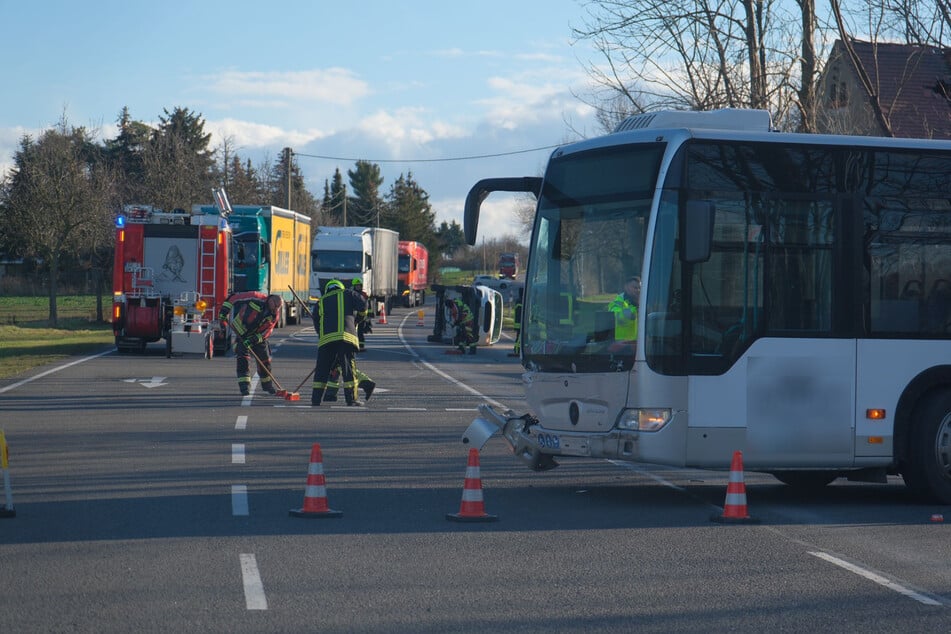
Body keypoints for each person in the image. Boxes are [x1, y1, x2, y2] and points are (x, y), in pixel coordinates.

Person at [310, 279, 368, 406]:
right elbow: (363, 305)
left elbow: (317, 322)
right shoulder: (348, 293)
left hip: (326, 341)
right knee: (348, 369)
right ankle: (351, 399)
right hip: (345, 338)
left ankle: (315, 400)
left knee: (322, 370)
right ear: (340, 287)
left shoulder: (321, 301)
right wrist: (358, 319)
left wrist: (323, 336)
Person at [219, 291, 283, 396]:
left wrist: (253, 340)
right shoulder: (255, 297)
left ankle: (267, 386)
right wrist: (223, 312)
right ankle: (244, 387)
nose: (275, 310)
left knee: (265, 360)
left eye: (278, 308)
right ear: (271, 300)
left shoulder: (274, 314)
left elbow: (266, 332)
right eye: (275, 306)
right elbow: (233, 298)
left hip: (257, 336)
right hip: (241, 331)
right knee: (243, 358)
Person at [608, 276, 640, 342]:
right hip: (622, 345)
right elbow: (619, 317)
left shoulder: (641, 302)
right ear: (626, 287)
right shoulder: (618, 302)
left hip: (639, 343)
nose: (638, 290)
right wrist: (635, 310)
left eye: (639, 288)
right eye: (635, 288)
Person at [351, 277, 371, 352]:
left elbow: (368, 306)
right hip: (353, 316)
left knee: (360, 332)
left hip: (362, 316)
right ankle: (353, 345)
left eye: (359, 285)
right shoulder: (351, 294)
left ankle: (361, 346)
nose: (358, 287)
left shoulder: (364, 295)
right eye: (357, 286)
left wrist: (368, 316)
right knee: (352, 331)